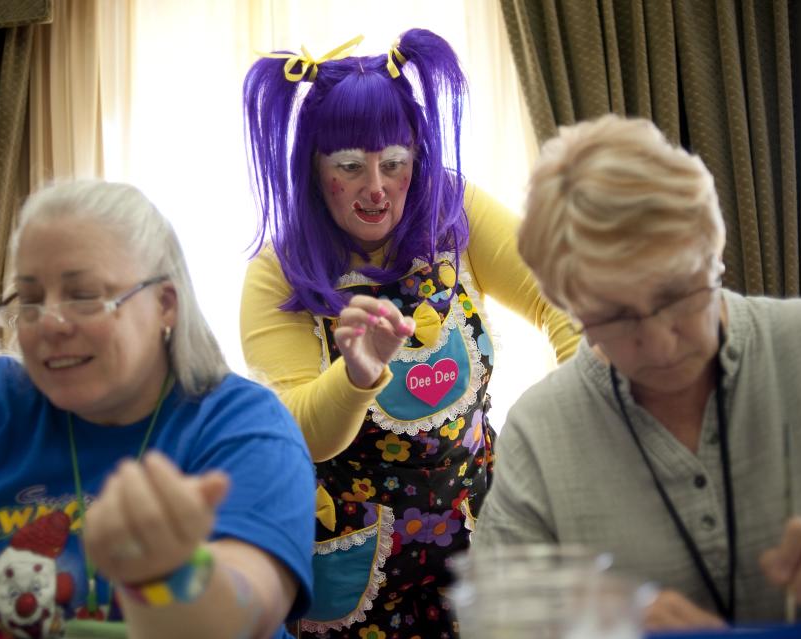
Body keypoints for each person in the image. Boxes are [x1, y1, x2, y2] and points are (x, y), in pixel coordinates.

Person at [240, 28, 579, 637]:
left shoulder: (457, 212)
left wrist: (586, 417)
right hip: (352, 562)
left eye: (394, 164)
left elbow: (567, 296)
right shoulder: (277, 271)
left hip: (482, 540)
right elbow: (297, 432)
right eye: (350, 166)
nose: (375, 187)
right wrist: (357, 374)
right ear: (314, 171)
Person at [473, 114, 801, 630]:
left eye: (677, 294)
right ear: (571, 309)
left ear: (713, 252)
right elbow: (494, 623)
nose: (658, 344)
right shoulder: (540, 436)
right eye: (614, 316)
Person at [0, 181, 315, 639]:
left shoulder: (245, 427)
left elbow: (244, 613)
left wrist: (171, 577)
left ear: (165, 305)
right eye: (31, 300)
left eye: (83, 296)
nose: (49, 324)